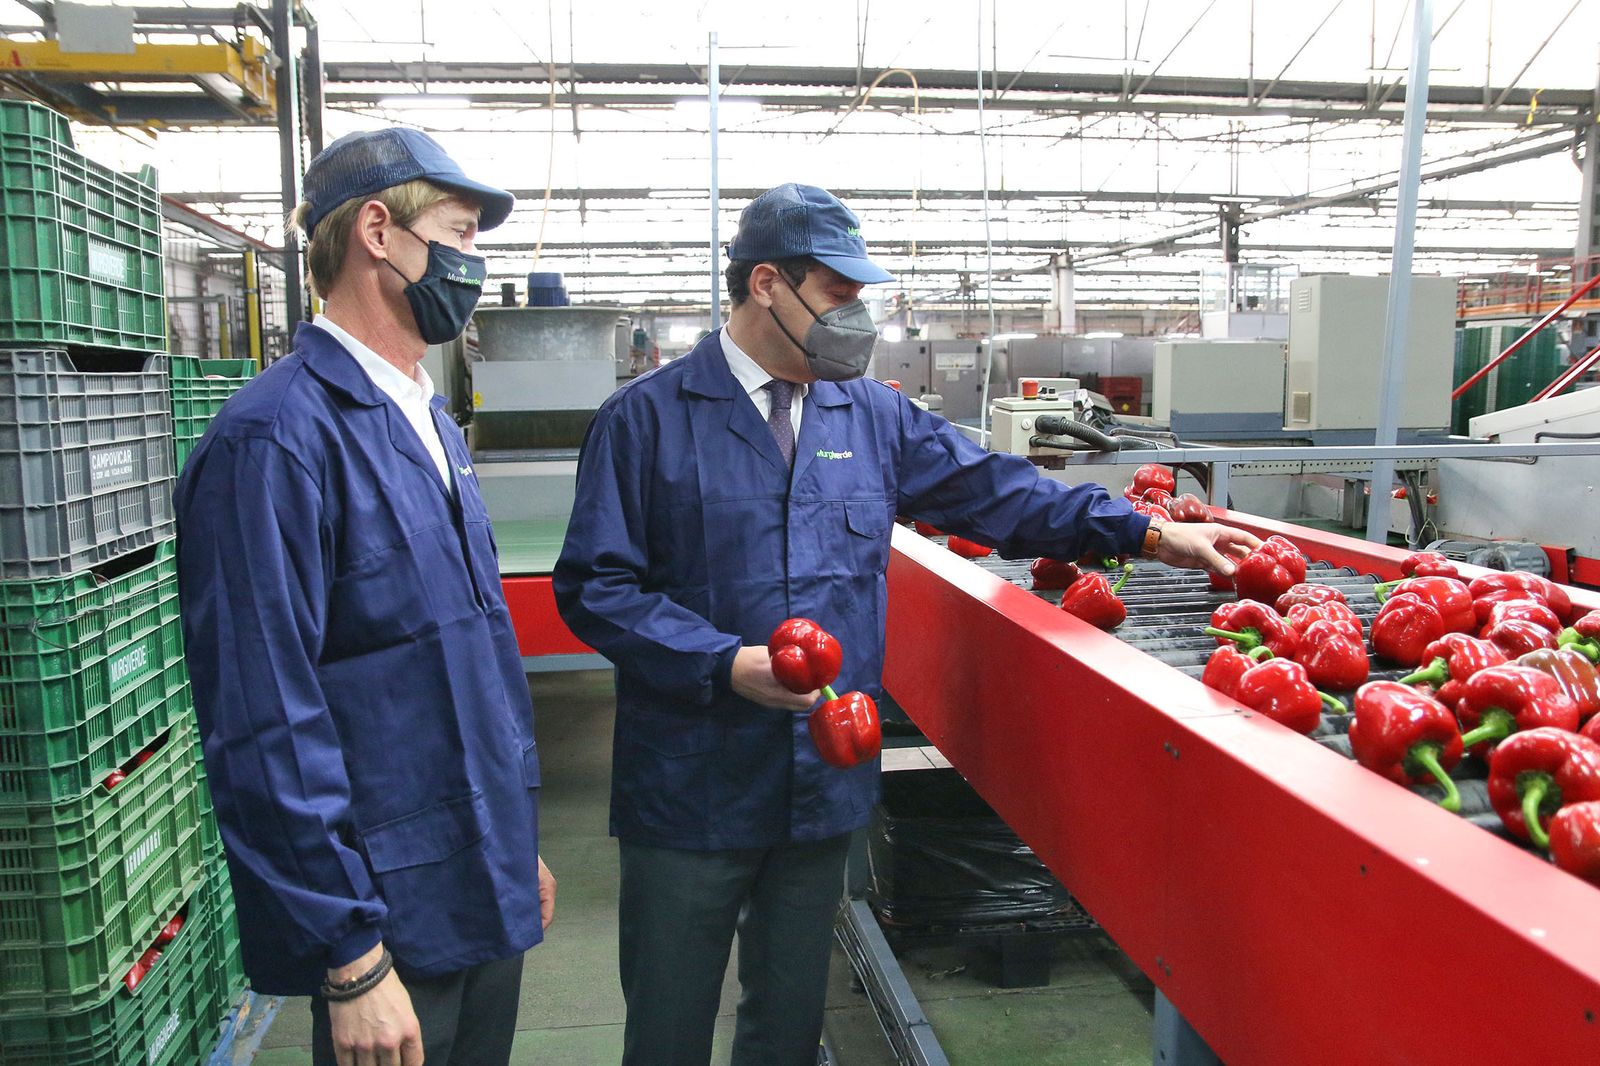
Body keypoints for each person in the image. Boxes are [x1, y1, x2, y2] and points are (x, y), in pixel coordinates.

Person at [552, 183, 1259, 1066]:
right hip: (690, 785)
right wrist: (722, 663)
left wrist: (1151, 531)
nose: (860, 319)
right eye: (841, 296)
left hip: (821, 777)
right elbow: (597, 589)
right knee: (669, 1021)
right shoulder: (646, 422)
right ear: (767, 283)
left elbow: (1002, 494)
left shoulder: (871, 414)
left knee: (787, 1021)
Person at [174, 128, 555, 1066]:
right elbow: (265, 720)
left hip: (481, 878)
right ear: (377, 232)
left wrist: (514, 842)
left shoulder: (426, 416)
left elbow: (467, 656)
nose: (472, 262)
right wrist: (347, 956)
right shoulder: (273, 442)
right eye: (460, 232)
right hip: (386, 916)